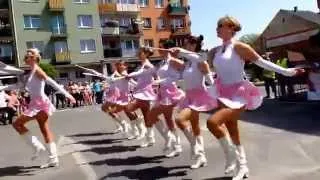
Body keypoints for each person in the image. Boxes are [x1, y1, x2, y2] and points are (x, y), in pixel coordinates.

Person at [206, 16, 303, 180]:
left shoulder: (239, 47)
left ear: (231, 28)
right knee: (232, 130)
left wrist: (288, 72)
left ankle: (231, 156)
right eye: (217, 26)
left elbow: (261, 62)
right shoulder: (215, 50)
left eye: (220, 25)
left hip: (238, 93)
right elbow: (206, 67)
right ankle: (242, 167)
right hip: (223, 93)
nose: (217, 28)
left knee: (212, 122)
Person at [1, 48, 75, 168]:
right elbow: (19, 85)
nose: (26, 56)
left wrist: (68, 95)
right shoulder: (30, 72)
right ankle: (53, 159)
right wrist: (2, 88)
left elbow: (52, 82)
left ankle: (37, 146)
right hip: (37, 103)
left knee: (17, 124)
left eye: (29, 55)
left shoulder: (37, 70)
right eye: (26, 55)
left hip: (40, 104)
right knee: (45, 130)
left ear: (35, 58)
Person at [170, 35, 217, 169]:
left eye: (189, 44)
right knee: (195, 127)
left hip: (199, 97)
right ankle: (201, 157)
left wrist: (216, 89)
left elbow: (210, 80)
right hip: (188, 97)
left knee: (179, 120)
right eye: (186, 44)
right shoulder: (188, 63)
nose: (187, 46)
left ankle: (196, 148)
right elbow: (182, 79)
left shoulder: (199, 60)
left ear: (196, 46)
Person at [145, 40, 185, 156]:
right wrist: (157, 81)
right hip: (163, 92)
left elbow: (182, 68)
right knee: (168, 119)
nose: (158, 49)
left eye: (161, 47)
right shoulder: (163, 62)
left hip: (170, 92)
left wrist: (176, 54)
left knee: (151, 115)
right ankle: (177, 145)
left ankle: (169, 139)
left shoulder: (171, 60)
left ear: (167, 48)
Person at [126, 47, 157, 145]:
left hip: (144, 94)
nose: (139, 54)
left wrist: (129, 75)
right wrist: (132, 81)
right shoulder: (144, 64)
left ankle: (141, 127)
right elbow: (143, 79)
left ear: (146, 54)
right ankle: (150, 138)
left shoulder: (147, 64)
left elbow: (140, 73)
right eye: (138, 53)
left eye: (141, 52)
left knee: (128, 108)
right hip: (142, 93)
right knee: (146, 116)